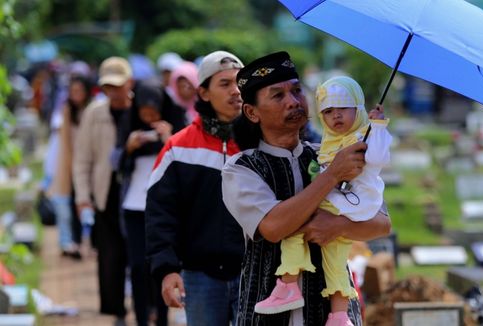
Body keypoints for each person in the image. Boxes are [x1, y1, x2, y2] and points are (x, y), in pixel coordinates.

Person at [222, 51, 392, 325]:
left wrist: (339, 226)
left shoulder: (331, 154)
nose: (293, 101)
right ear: (252, 112)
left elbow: (382, 224)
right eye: (278, 96)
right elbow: (274, 227)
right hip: (265, 314)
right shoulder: (242, 168)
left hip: (333, 314)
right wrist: (333, 175)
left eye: (297, 91)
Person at [146, 50, 246, 326]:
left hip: (255, 275)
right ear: (203, 93)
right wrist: (167, 269)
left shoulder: (262, 143)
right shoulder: (177, 148)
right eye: (224, 84)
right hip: (199, 276)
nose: (236, 91)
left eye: (240, 82)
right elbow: (159, 214)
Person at [118, 79, 184, 326]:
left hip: (163, 209)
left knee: (161, 266)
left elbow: (182, 165)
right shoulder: (128, 122)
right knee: (136, 267)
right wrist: (129, 147)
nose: (148, 118)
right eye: (143, 113)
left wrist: (169, 139)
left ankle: (163, 319)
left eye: (153, 113)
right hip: (134, 206)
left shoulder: (176, 125)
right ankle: (142, 319)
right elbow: (115, 164)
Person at [73, 56, 132, 325]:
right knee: (109, 254)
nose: (113, 91)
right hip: (105, 191)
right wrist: (83, 197)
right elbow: (82, 158)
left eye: (118, 85)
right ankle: (115, 308)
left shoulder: (143, 107)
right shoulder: (94, 113)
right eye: (108, 86)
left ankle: (149, 305)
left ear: (128, 83)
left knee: (141, 254)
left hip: (137, 193)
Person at [48, 75, 93, 259]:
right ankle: (75, 242)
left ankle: (91, 242)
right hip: (73, 165)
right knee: (74, 203)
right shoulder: (67, 111)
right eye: (73, 91)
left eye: (79, 91)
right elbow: (65, 142)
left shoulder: (92, 110)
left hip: (91, 165)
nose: (76, 95)